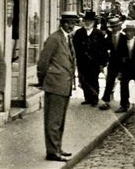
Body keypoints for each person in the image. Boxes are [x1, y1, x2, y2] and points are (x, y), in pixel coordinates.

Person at [37, 11, 78, 162]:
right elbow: (43, 62)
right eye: (69, 23)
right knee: (53, 120)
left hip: (64, 85)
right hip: (55, 85)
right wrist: (42, 80)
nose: (72, 26)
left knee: (59, 120)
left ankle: (57, 147)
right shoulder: (54, 39)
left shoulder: (67, 38)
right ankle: (52, 152)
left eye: (74, 23)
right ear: (63, 23)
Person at [72, 11, 108, 107]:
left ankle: (94, 99)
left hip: (94, 62)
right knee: (83, 80)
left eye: (90, 21)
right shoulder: (78, 33)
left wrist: (103, 63)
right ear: (83, 21)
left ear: (94, 22)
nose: (87, 23)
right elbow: (74, 47)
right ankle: (87, 98)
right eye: (86, 21)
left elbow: (103, 49)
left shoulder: (99, 34)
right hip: (82, 61)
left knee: (93, 80)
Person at [99, 15, 126, 111]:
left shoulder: (124, 38)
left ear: (119, 27)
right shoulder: (108, 37)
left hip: (122, 65)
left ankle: (124, 105)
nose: (114, 29)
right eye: (112, 27)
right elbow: (103, 49)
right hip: (112, 64)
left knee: (124, 85)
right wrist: (103, 62)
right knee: (109, 83)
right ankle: (106, 101)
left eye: (115, 27)